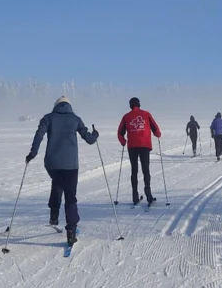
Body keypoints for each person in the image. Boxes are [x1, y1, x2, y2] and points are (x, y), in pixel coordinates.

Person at [26, 96, 99, 246]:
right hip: (71, 165)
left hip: (51, 163)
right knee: (70, 195)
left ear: (56, 106)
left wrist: (32, 153)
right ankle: (71, 231)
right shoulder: (75, 119)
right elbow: (90, 140)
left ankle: (54, 214)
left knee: (57, 183)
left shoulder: (47, 118)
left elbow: (39, 135)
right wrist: (95, 134)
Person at [117, 97, 161, 205]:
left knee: (134, 170)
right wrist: (157, 134)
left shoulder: (126, 117)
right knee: (145, 169)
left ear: (130, 105)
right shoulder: (146, 114)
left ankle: (135, 196)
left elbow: (120, 132)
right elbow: (155, 128)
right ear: (139, 104)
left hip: (132, 146)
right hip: (144, 145)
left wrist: (123, 141)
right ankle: (148, 193)